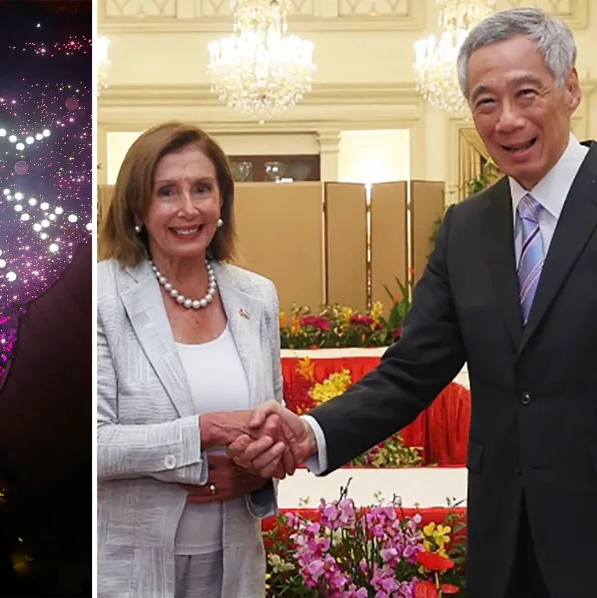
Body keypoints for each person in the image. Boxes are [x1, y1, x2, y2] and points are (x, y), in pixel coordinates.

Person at [231, 7, 594, 598]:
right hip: (506, 541)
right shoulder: (466, 228)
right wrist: (311, 433)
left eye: (527, 93)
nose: (507, 120)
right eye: (484, 102)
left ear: (570, 87)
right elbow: (411, 370)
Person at [97, 122, 292, 598]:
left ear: (221, 201)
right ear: (138, 207)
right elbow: (93, 444)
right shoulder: (100, 297)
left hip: (233, 566)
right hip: (128, 570)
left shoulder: (257, 296)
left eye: (202, 189)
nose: (188, 208)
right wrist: (203, 431)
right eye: (166, 191)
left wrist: (262, 465)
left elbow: (274, 426)